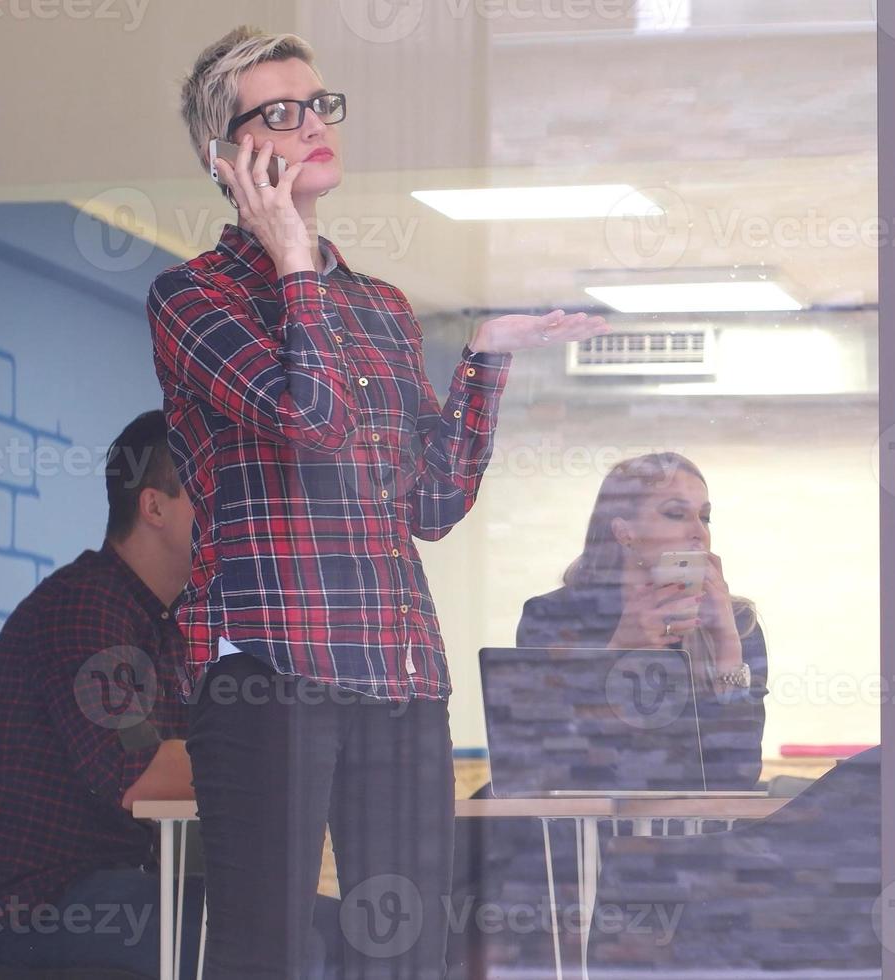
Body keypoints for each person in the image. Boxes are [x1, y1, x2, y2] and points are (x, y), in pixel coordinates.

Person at [149, 27, 605, 977]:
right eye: (279, 113)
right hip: (267, 667)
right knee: (265, 949)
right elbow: (307, 420)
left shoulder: (385, 308)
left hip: (397, 671)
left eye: (318, 105)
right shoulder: (191, 298)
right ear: (224, 157)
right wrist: (294, 263)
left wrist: (482, 356)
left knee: (404, 953)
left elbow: (431, 501)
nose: (312, 124)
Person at [0, 411, 198, 975]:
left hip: (107, 889)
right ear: (154, 507)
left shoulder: (164, 626)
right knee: (283, 939)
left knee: (298, 928)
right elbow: (144, 774)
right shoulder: (87, 610)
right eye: (213, 489)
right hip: (39, 908)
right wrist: (295, 765)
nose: (236, 512)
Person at [516, 451, 766, 786]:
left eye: (705, 518)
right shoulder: (552, 618)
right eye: (676, 514)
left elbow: (739, 776)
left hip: (697, 833)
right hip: (587, 832)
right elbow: (547, 763)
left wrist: (726, 644)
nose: (698, 532)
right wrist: (618, 650)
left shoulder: (738, 622)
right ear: (624, 532)